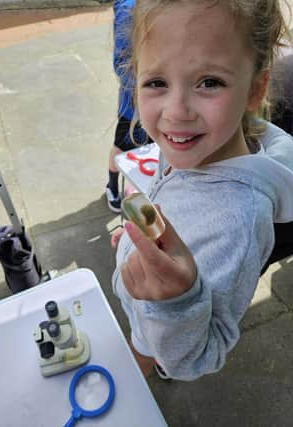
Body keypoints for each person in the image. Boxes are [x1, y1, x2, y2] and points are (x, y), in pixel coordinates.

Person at [112, 0, 293, 380]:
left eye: (209, 82)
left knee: (148, 359)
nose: (176, 112)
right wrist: (140, 239)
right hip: (146, 302)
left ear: (255, 90)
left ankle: (148, 358)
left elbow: (196, 358)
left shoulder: (237, 226)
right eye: (156, 82)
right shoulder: (196, 145)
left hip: (166, 332)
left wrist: (175, 308)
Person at [106, 0, 151, 213]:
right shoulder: (128, 9)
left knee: (150, 149)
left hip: (153, 100)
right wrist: (149, 89)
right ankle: (112, 187)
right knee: (122, 147)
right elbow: (122, 64)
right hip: (133, 106)